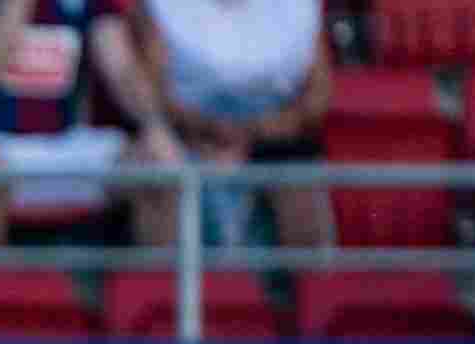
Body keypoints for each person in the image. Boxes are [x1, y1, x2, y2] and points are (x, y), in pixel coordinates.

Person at [0, 0, 182, 246]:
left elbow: (120, 68)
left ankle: (162, 282)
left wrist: (154, 124)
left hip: (61, 145)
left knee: (159, 159)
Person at [135, 0, 332, 248]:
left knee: (300, 184)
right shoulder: (158, 8)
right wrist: (210, 130)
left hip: (275, 132)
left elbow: (317, 96)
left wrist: (254, 132)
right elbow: (155, 89)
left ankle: (313, 282)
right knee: (157, 162)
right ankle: (164, 283)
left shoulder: (300, 8)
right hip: (189, 133)